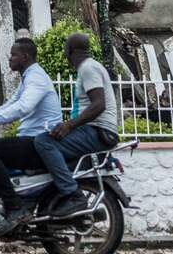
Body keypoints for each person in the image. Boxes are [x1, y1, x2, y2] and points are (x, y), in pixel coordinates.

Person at [0, 37, 60, 234]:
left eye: (13, 55)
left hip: (39, 141)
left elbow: (23, 107)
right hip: (33, 139)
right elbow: (11, 103)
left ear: (25, 56)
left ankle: (14, 206)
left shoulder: (36, 77)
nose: (10, 58)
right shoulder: (28, 77)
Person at [33, 32, 119, 218]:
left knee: (43, 142)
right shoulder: (91, 67)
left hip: (98, 131)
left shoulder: (88, 68)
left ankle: (73, 196)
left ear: (69, 51)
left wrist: (69, 125)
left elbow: (98, 104)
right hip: (95, 131)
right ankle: (62, 199)